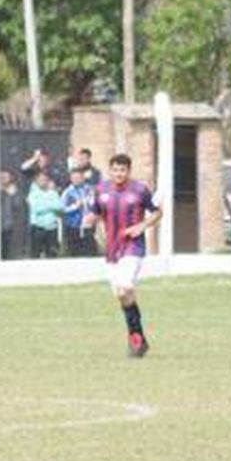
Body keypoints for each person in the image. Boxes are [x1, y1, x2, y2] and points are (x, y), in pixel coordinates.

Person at [85, 154, 161, 359]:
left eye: (123, 170)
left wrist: (142, 226)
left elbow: (156, 212)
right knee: (121, 295)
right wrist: (90, 221)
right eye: (115, 170)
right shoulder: (100, 190)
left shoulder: (140, 190)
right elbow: (96, 214)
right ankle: (139, 338)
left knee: (125, 286)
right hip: (111, 250)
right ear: (110, 171)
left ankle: (135, 338)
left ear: (129, 171)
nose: (119, 174)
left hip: (133, 247)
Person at [27, 174, 64, 258]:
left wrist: (44, 204)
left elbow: (60, 207)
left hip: (52, 228)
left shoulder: (54, 193)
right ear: (36, 182)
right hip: (38, 228)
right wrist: (51, 205)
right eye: (40, 180)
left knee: (52, 253)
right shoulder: (33, 194)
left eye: (44, 180)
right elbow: (36, 209)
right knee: (35, 254)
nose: (42, 182)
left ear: (48, 181)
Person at [60, 169, 95, 257]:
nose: (76, 180)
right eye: (73, 178)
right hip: (73, 226)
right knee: (74, 253)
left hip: (87, 226)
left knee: (89, 252)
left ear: (83, 178)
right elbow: (62, 209)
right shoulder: (67, 192)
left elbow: (96, 205)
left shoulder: (90, 189)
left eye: (78, 177)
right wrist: (74, 207)